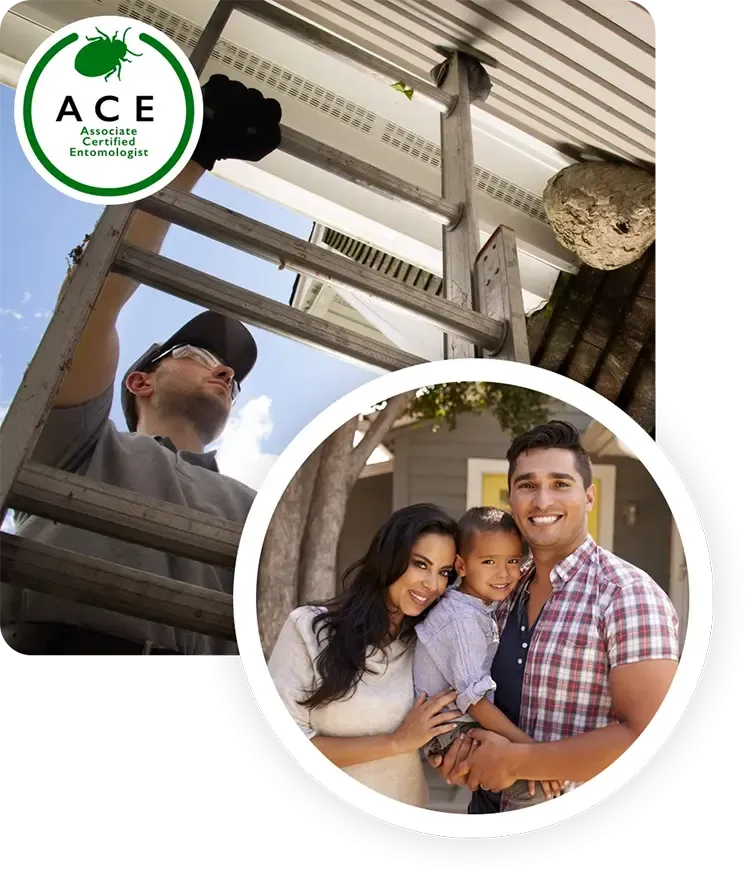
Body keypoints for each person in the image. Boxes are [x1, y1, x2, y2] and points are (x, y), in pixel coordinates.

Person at [0, 75, 283, 656]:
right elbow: (93, 298)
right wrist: (192, 154)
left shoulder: (253, 508)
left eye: (234, 376)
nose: (226, 373)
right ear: (139, 380)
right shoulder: (78, 444)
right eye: (203, 356)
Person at [429, 421, 680, 813]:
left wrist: (517, 761)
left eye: (560, 483)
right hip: (485, 807)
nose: (542, 500)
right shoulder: (504, 590)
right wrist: (461, 753)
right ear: (511, 499)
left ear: (589, 497)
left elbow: (651, 737)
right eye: (527, 485)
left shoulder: (626, 593)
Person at [268, 504, 463, 808]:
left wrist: (447, 753)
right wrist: (396, 742)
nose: (433, 584)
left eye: (444, 572)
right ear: (389, 558)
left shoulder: (426, 646)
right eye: (421, 564)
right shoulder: (308, 628)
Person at [413, 506, 562, 808]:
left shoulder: (479, 605)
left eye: (512, 561)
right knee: (530, 784)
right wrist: (531, 749)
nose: (504, 573)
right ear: (462, 566)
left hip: (462, 720)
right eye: (489, 561)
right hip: (448, 729)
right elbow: (476, 701)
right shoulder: (460, 620)